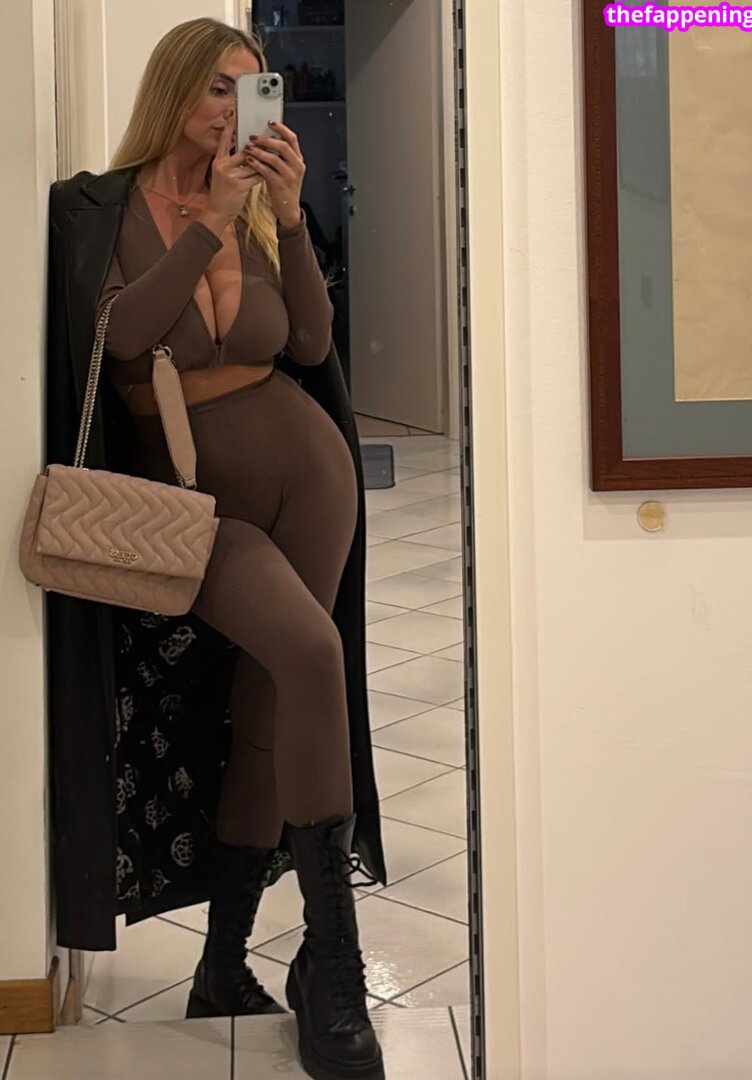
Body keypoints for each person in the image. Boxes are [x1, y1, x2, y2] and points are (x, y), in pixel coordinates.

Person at [45, 18, 385, 1080]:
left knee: (275, 703)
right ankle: (333, 964)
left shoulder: (264, 207)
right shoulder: (101, 208)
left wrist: (286, 217)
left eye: (252, 89)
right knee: (312, 653)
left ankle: (226, 968)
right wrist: (211, 224)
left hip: (312, 478)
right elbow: (119, 338)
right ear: (174, 91)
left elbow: (312, 344)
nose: (236, 111)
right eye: (217, 89)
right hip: (195, 509)